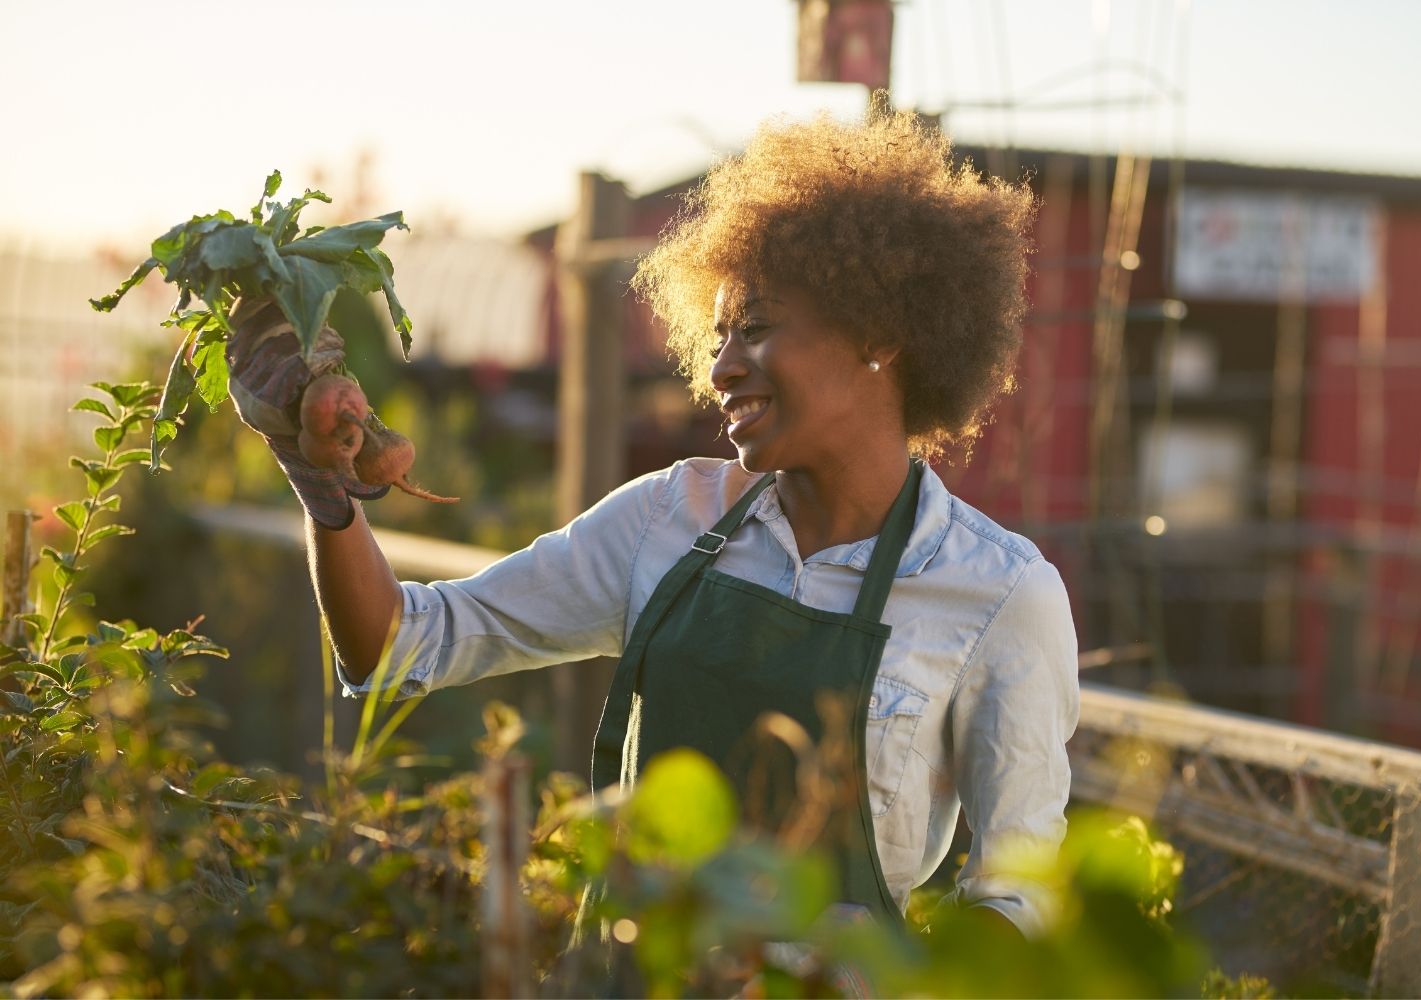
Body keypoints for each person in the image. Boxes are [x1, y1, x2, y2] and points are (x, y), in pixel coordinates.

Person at [228, 103, 1079, 942]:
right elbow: (398, 645)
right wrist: (320, 481)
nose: (720, 367)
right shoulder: (668, 518)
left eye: (755, 328)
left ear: (879, 335)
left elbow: (1017, 902)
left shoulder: (1000, 595)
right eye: (713, 337)